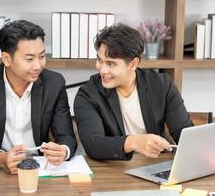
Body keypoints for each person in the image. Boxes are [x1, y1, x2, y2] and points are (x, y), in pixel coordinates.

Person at [0, 20, 77, 174]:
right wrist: (1, 158)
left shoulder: (54, 83)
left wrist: (63, 151)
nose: (38, 66)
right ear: (6, 58)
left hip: (40, 168)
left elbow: (66, 135)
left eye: (41, 56)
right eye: (29, 59)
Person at [74, 24, 193, 161]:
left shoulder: (161, 85)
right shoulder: (88, 94)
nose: (102, 70)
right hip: (113, 170)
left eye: (111, 64)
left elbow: (184, 134)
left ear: (133, 64)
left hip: (154, 165)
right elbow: (93, 144)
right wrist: (134, 142)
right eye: (100, 60)